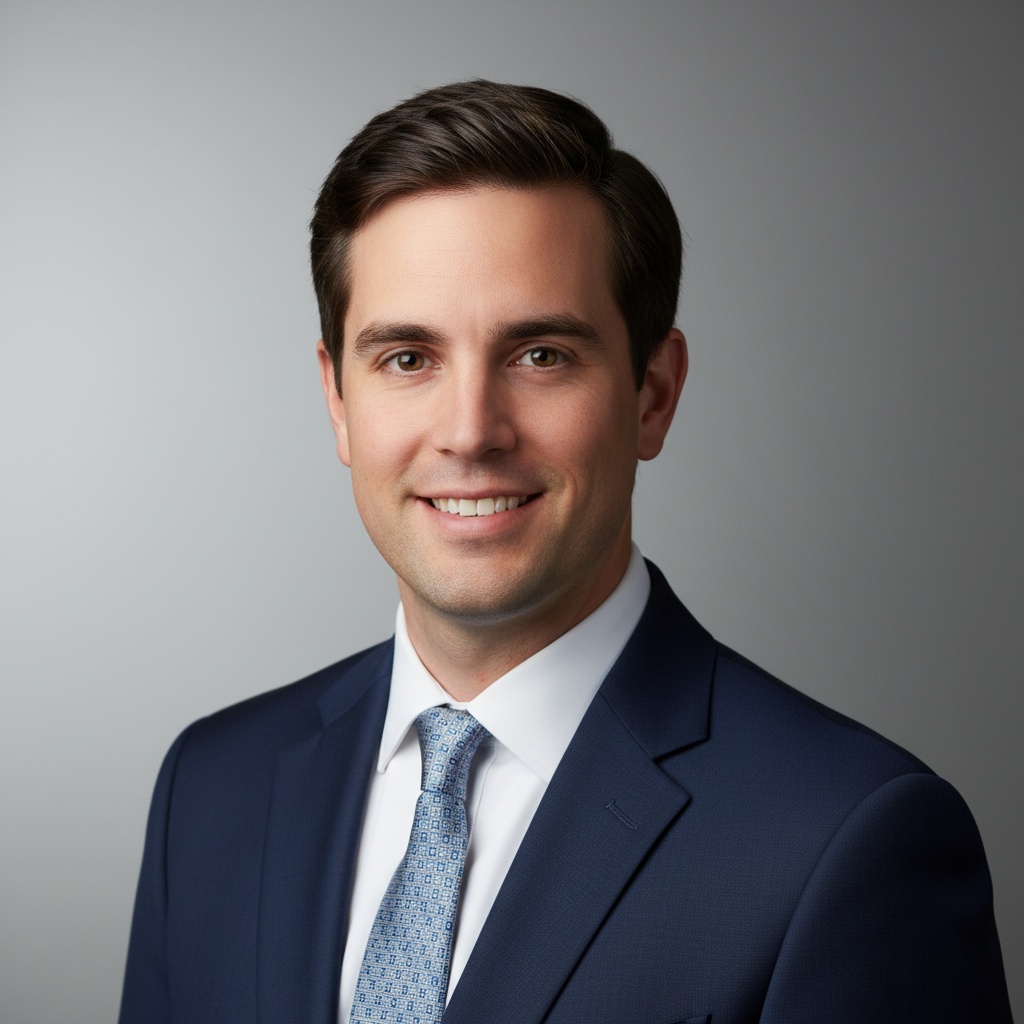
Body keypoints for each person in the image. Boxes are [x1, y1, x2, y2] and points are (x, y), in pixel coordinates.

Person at [118, 80, 1012, 1024]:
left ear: (653, 394)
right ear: (338, 399)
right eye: (408, 359)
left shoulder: (848, 838)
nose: (470, 432)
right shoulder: (210, 790)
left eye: (540, 354)